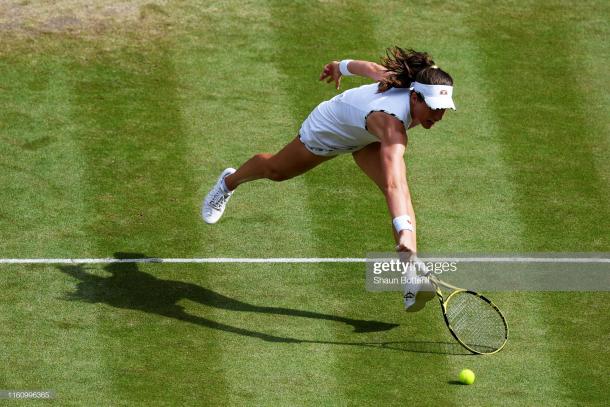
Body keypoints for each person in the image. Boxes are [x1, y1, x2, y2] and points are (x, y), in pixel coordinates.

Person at [201, 47, 455, 310]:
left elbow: (367, 68)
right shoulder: (393, 128)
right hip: (331, 130)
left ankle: (411, 276)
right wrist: (403, 230)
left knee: (402, 194)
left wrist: (339, 65)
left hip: (365, 136)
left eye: (444, 109)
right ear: (415, 97)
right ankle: (228, 183)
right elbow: (395, 184)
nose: (438, 116)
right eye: (434, 107)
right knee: (276, 171)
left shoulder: (408, 84)